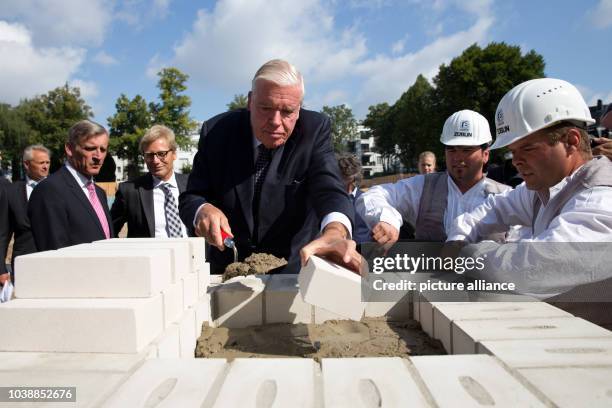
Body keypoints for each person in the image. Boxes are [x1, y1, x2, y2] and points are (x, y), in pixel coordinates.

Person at [179, 59, 360, 274]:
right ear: (250, 101)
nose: (275, 121)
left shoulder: (314, 130)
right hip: (230, 270)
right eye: (265, 108)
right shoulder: (217, 132)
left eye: (287, 111)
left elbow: (328, 188)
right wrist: (202, 210)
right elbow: (192, 197)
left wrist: (335, 232)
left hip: (293, 269)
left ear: (299, 109)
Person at [446, 78, 612, 297]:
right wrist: (457, 239)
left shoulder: (601, 199)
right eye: (513, 151)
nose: (516, 161)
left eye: (527, 148)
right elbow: (493, 208)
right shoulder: (547, 187)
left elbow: (534, 266)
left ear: (571, 141)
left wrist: (468, 255)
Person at [356, 109, 510, 246]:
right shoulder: (424, 187)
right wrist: (387, 219)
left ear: (485, 154)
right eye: (452, 149)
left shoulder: (506, 197)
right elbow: (374, 194)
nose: (457, 157)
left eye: (466, 150)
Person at [29, 120, 113, 251]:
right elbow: (53, 252)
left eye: (103, 149)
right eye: (90, 148)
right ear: (69, 149)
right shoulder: (50, 190)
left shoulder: (99, 192)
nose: (98, 156)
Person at [111, 125, 188, 238]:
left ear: (174, 154)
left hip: (191, 254)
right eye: (149, 155)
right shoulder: (130, 191)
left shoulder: (191, 184)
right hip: (149, 255)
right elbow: (109, 230)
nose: (155, 161)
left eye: (161, 154)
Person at [4, 145, 50, 281]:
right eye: (41, 163)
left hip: (54, 258)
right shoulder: (11, 192)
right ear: (26, 164)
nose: (45, 167)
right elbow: (3, 233)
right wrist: (1, 269)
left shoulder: (60, 189)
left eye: (48, 162)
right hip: (24, 260)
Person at [337, 153, 370, 244]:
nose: (348, 190)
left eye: (351, 183)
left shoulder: (366, 199)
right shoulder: (331, 200)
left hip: (363, 251)